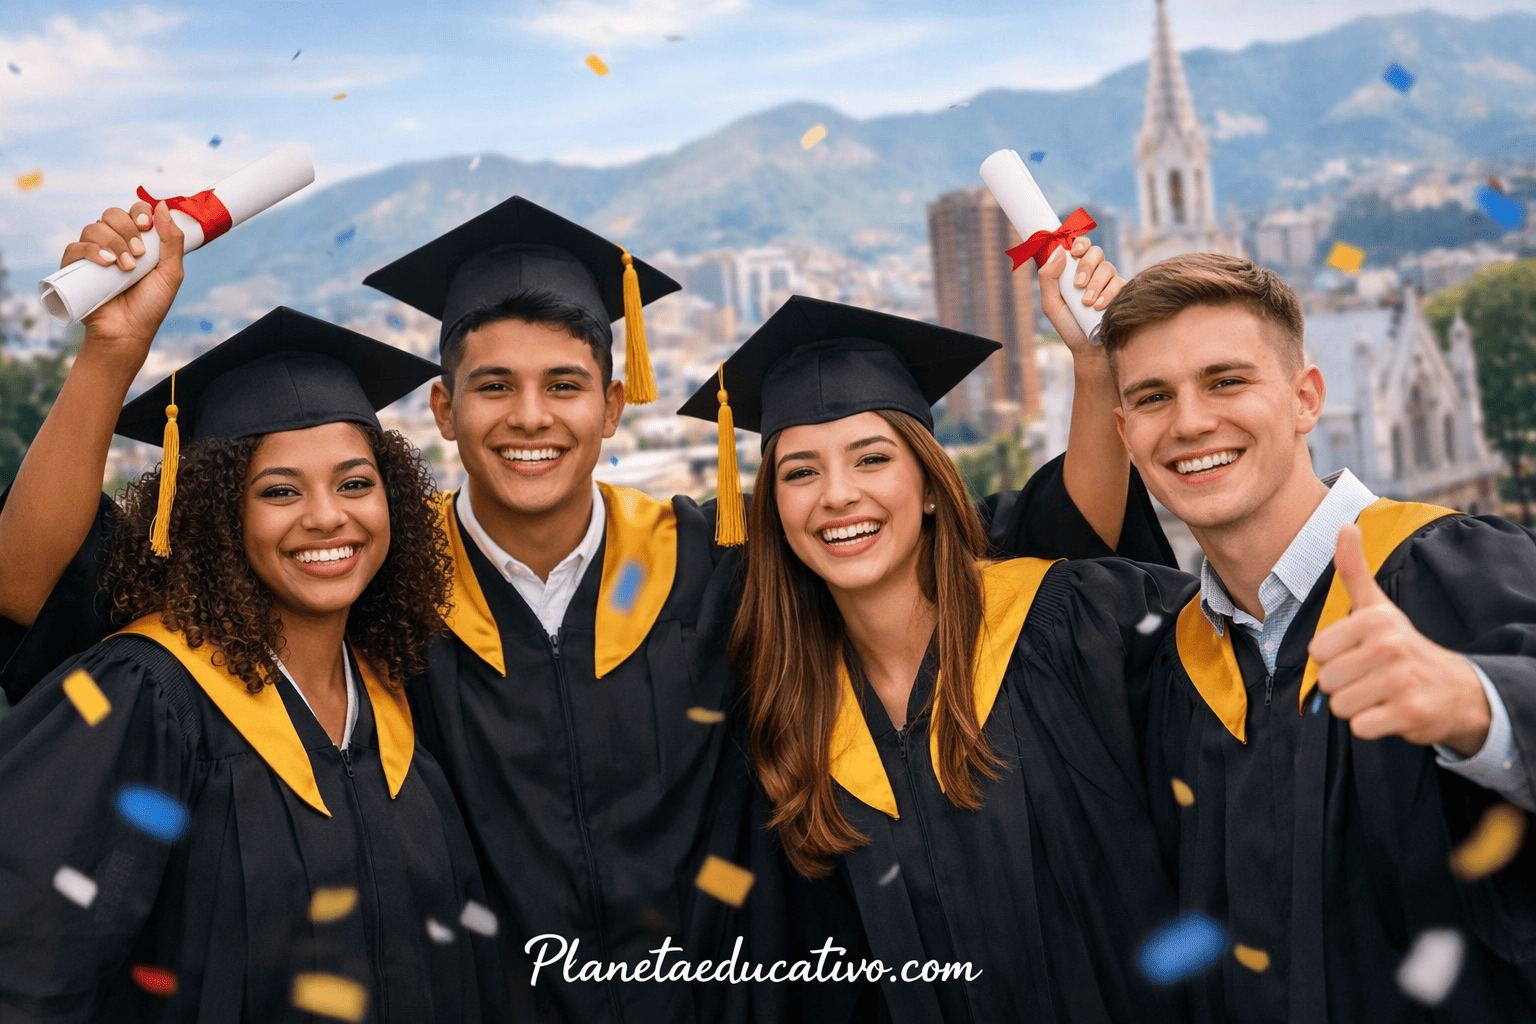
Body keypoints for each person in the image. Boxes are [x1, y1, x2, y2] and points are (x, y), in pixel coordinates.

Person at [0, 193, 1167, 1023]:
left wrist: (1095, 368)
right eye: (491, 387)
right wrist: (110, 353)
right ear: (443, 414)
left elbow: (1008, 548)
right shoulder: (378, 597)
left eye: (565, 386)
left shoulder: (723, 561)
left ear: (615, 404)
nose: (530, 417)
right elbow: (40, 590)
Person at [0, 277, 509, 1019]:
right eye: (280, 492)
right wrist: (111, 350)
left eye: (355, 483)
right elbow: (31, 970)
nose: (327, 517)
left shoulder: (394, 692)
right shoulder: (150, 694)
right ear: (216, 515)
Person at [684, 297, 1198, 1023]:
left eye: (872, 458)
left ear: (928, 483)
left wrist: (1094, 366)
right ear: (771, 505)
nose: (838, 495)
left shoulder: (1067, 628)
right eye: (800, 472)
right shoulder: (783, 712)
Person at [1097, 252, 1536, 1023]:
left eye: (1226, 380)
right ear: (1127, 436)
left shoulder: (1445, 567)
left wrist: (1480, 705)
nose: (1192, 420)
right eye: (1155, 397)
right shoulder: (1173, 669)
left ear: (1307, 400)